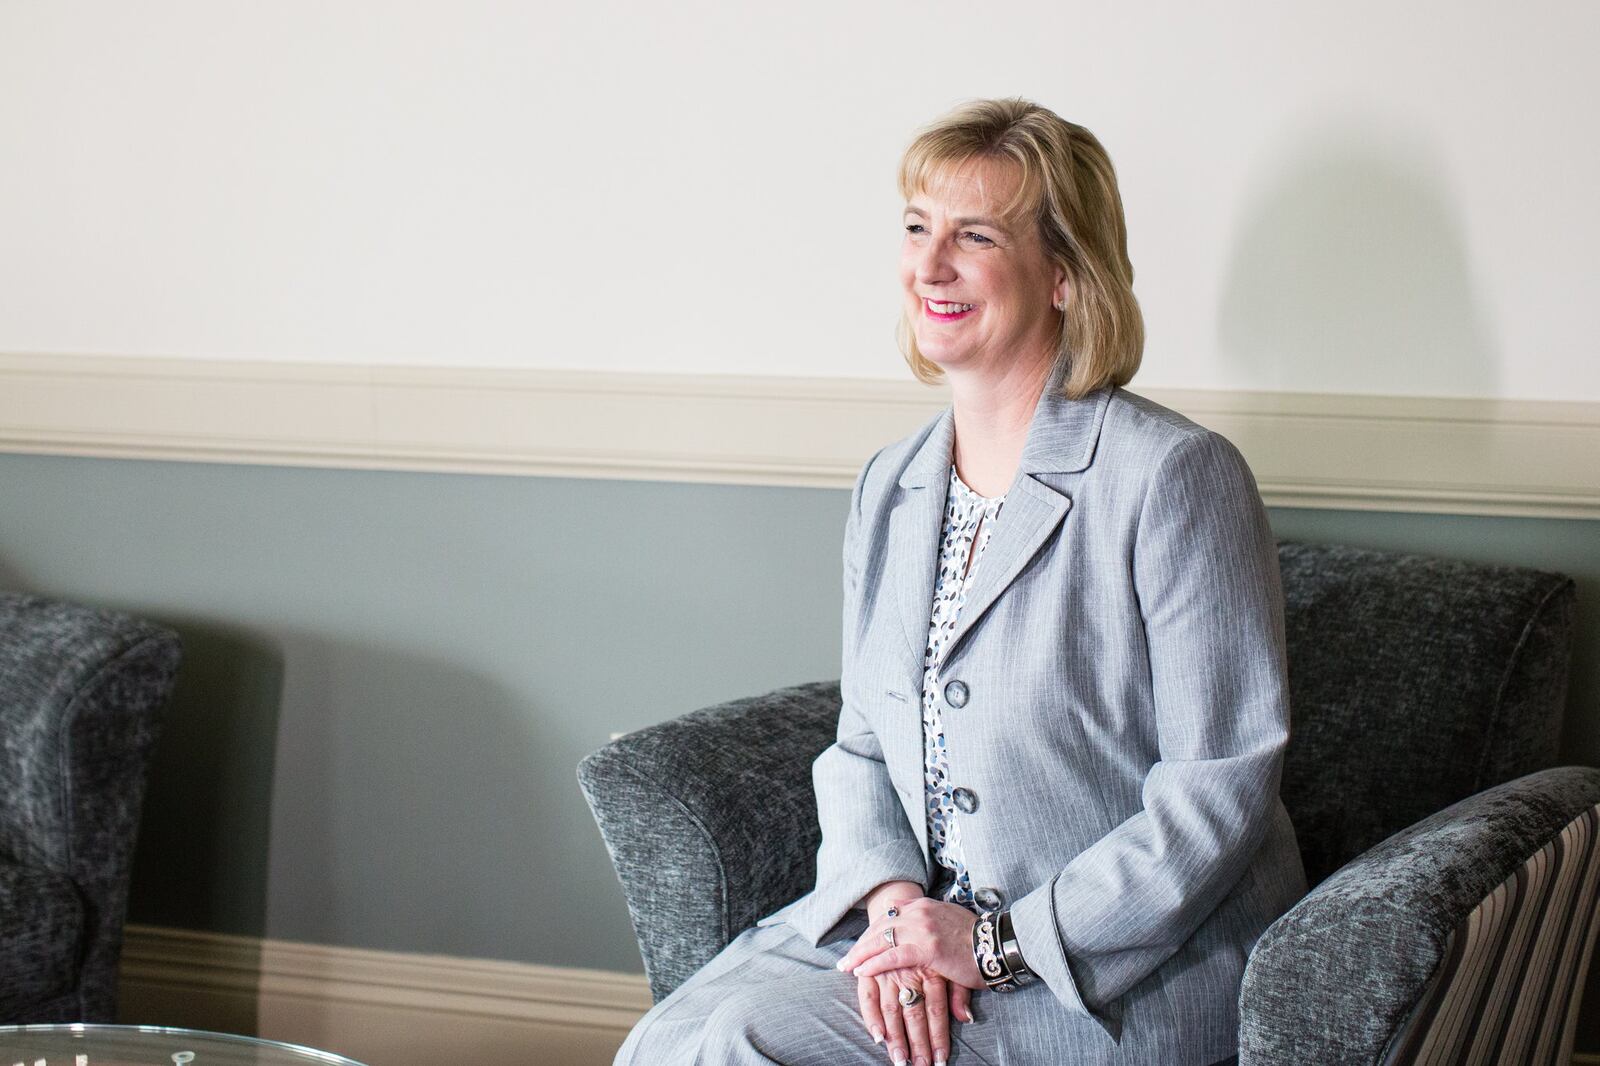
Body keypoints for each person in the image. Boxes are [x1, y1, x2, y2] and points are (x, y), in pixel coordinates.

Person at [615, 97, 1307, 1066]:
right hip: (914, 931)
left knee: (742, 1046)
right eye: (915, 227)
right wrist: (897, 916)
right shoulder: (891, 482)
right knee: (670, 1040)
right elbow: (860, 742)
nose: (929, 264)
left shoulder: (1173, 476)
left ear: (1064, 273)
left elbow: (1217, 790)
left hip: (1107, 968)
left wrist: (989, 944)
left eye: (972, 235)